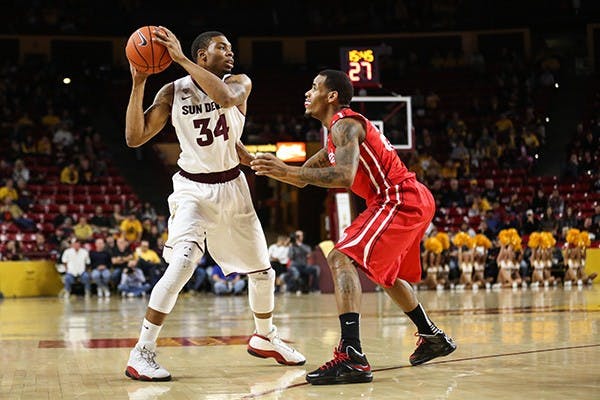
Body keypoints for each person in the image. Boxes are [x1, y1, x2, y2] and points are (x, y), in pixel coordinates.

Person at [251, 70, 456, 385]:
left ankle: (352, 356)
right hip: (404, 199)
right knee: (384, 275)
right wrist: (263, 166)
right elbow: (302, 177)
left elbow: (344, 177)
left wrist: (285, 170)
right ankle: (432, 337)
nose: (307, 92)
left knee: (340, 256)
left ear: (331, 96)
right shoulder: (335, 135)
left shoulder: (345, 125)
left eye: (314, 87)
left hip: (399, 198)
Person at [123, 28, 305, 381]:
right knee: (183, 262)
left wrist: (179, 59)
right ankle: (141, 352)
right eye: (222, 48)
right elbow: (134, 137)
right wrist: (138, 82)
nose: (231, 53)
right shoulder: (172, 91)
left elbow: (223, 98)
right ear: (203, 55)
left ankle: (265, 337)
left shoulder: (240, 82)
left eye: (231, 47)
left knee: (263, 272)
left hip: (234, 187)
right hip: (193, 189)